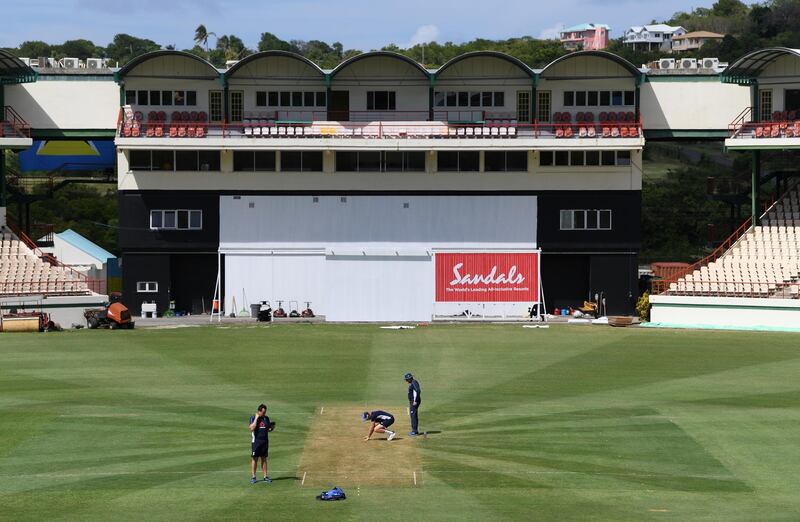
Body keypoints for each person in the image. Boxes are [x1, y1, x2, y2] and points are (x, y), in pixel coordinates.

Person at [249, 404, 275, 484]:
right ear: (259, 411)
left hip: (265, 442)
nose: (264, 414)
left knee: (264, 459)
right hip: (256, 442)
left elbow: (267, 429)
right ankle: (253, 477)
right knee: (255, 459)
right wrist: (257, 418)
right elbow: (251, 428)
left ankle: (265, 476)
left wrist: (271, 428)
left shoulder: (266, 418)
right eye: (263, 412)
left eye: (265, 412)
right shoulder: (253, 418)